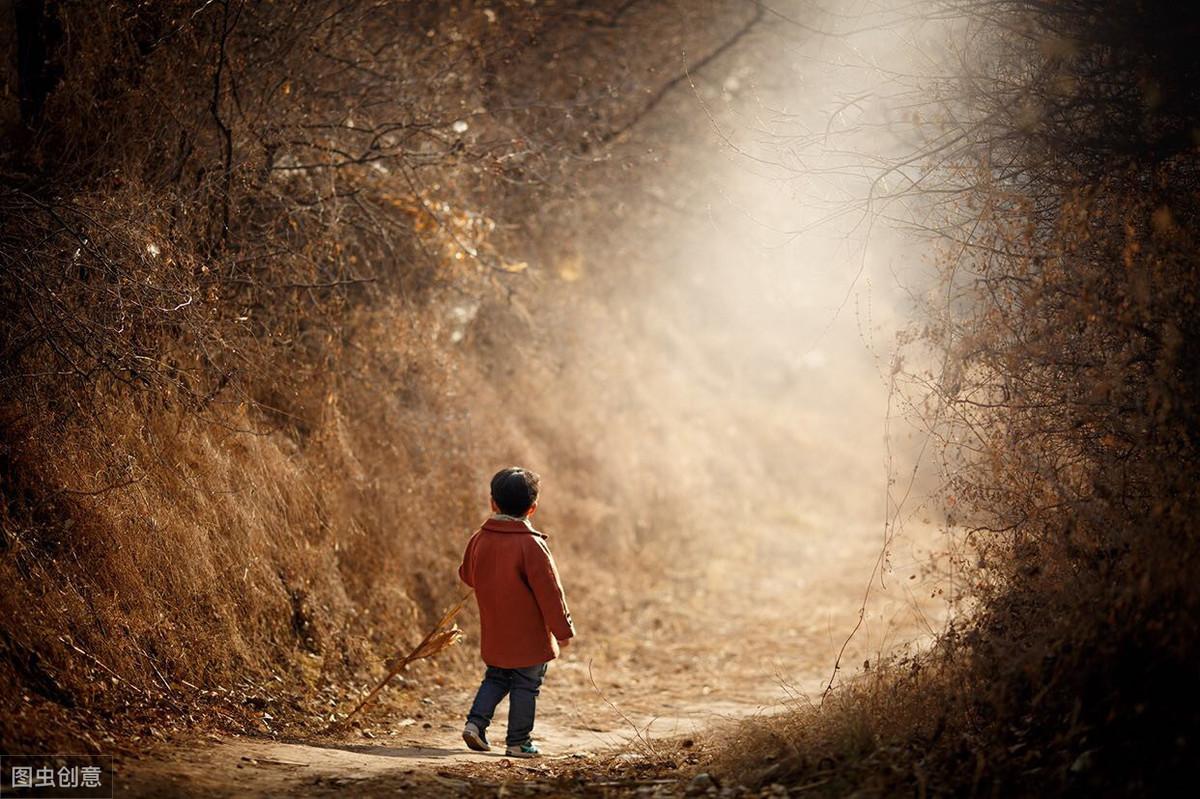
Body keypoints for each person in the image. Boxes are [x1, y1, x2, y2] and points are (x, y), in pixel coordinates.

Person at [458, 467, 576, 758]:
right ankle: (518, 741)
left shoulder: (479, 539)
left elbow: (467, 575)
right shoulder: (531, 545)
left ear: (492, 503)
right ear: (532, 507)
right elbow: (551, 593)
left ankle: (475, 724)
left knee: (496, 677)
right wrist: (563, 631)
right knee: (526, 684)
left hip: (496, 631)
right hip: (529, 638)